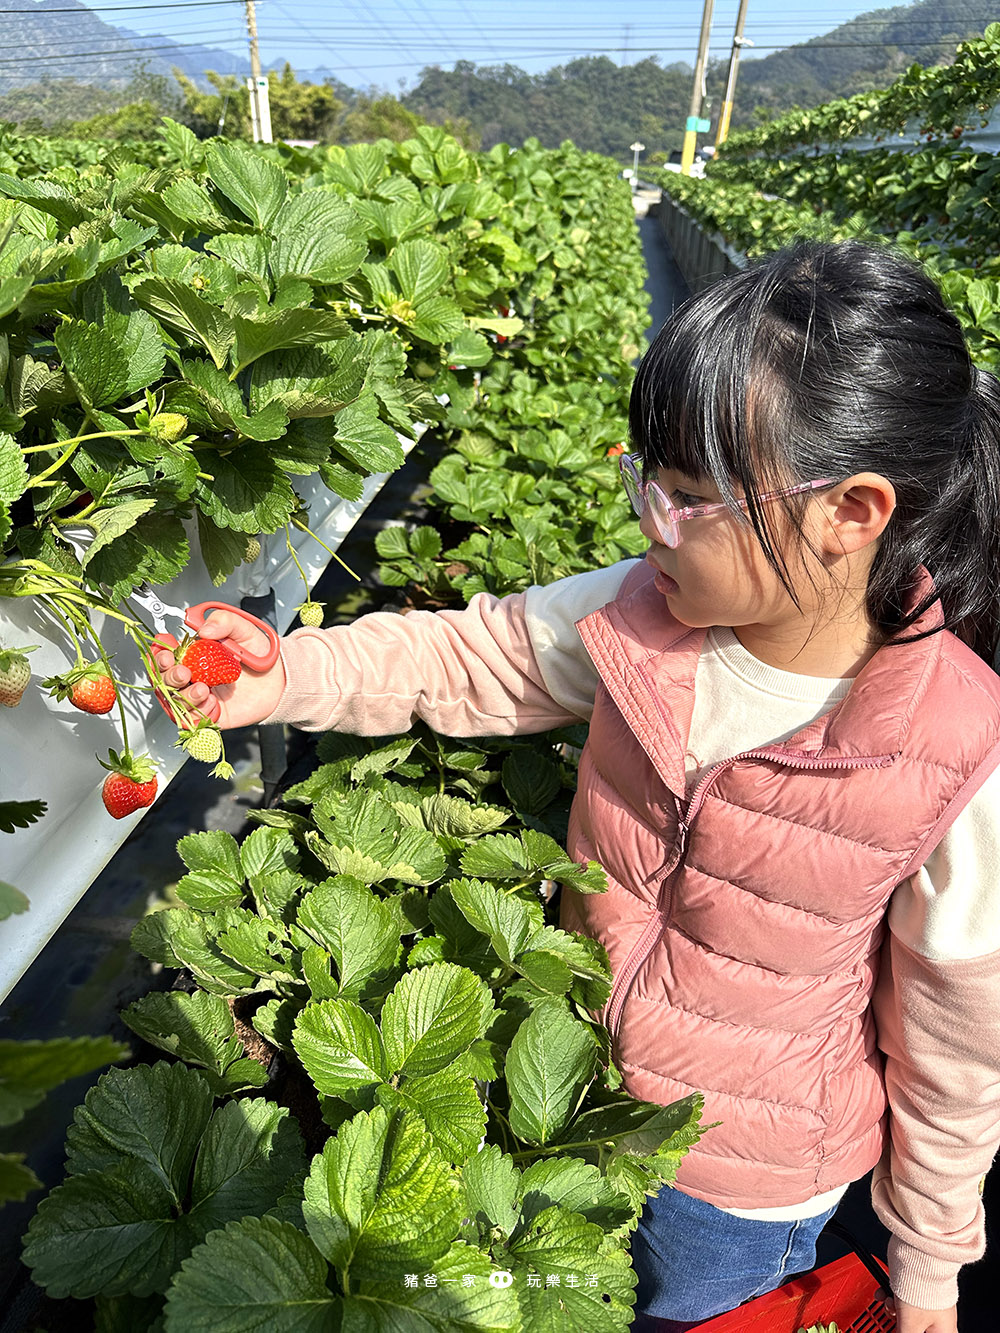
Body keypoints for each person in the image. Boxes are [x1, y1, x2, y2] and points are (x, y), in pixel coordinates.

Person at [153, 240, 1000, 1333]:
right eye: (646, 480)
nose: (650, 523)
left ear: (852, 511)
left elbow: (954, 1040)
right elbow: (470, 659)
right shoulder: (642, 612)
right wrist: (285, 676)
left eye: (689, 499)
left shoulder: (956, 749)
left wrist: (928, 1266)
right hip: (561, 1073)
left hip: (738, 1182)